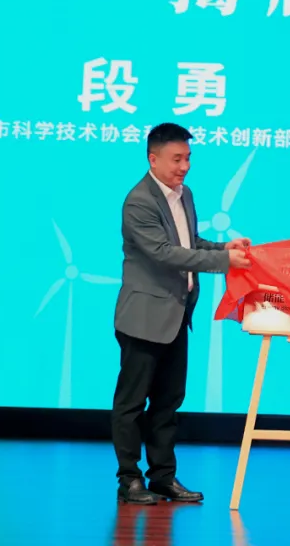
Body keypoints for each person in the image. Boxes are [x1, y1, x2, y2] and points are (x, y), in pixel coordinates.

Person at [111, 123, 251, 505]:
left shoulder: (184, 194)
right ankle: (129, 480)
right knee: (131, 404)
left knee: (168, 404)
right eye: (176, 159)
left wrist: (223, 248)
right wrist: (224, 262)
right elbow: (164, 253)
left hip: (176, 316)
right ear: (153, 159)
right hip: (143, 318)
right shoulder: (138, 201)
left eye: (188, 158)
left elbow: (189, 242)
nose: (184, 166)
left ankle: (163, 477)